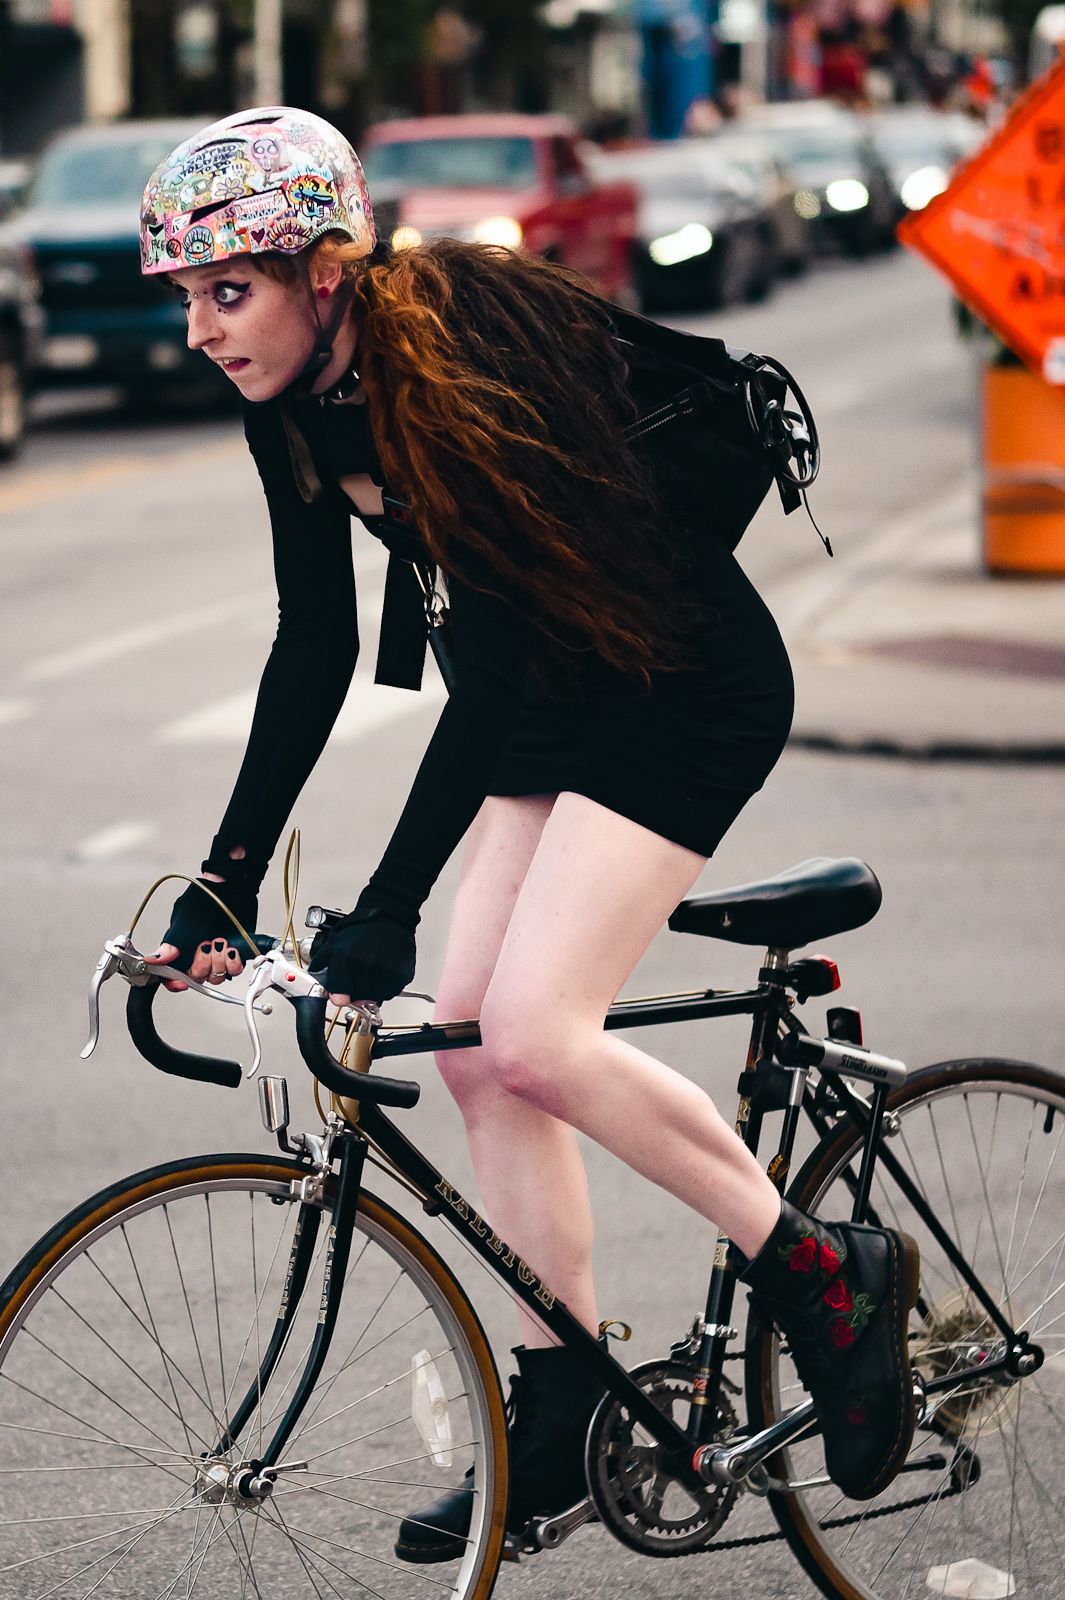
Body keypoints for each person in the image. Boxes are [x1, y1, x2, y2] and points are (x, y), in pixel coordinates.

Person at [140, 106, 920, 1562]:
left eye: (226, 290)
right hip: (557, 691)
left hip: (681, 686)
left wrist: (380, 907)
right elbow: (313, 648)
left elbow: (479, 682)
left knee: (538, 1037)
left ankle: (820, 1268)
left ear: (325, 271)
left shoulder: (454, 374)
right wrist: (219, 888)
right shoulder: (292, 406)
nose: (199, 327)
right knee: (482, 1058)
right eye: (184, 295)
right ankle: (563, 1406)